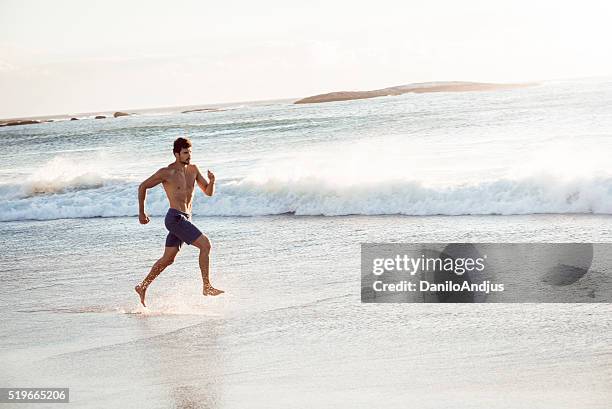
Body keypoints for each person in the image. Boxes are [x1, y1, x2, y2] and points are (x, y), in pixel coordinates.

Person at [135, 137, 224, 307]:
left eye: (190, 152)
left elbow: (208, 192)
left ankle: (142, 286)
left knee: (168, 259)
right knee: (205, 245)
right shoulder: (167, 172)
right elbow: (142, 186)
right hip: (175, 217)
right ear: (176, 154)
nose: (189, 155)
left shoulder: (193, 170)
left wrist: (212, 181)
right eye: (185, 153)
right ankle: (206, 286)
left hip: (185, 218)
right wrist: (141, 212)